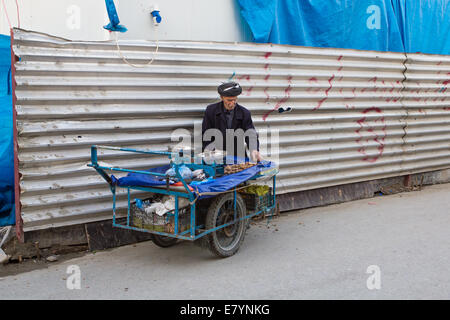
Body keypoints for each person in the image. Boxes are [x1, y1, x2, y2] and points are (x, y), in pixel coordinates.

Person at [202, 82, 262, 163]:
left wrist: (254, 149)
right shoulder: (211, 111)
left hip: (238, 156)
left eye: (235, 99)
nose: (232, 103)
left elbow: (250, 134)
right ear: (222, 97)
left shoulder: (244, 113)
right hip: (217, 156)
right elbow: (206, 134)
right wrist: (210, 153)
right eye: (229, 100)